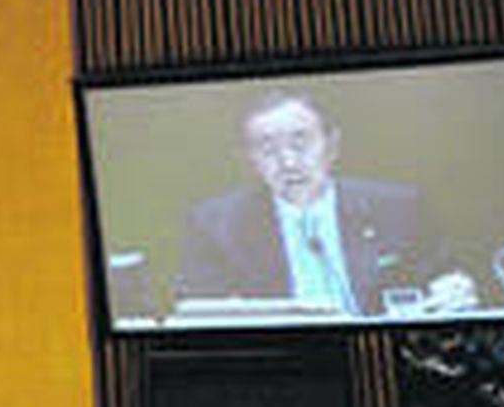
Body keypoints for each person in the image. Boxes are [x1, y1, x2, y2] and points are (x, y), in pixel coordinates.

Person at [176, 90, 477, 319]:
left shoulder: (397, 208)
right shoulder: (216, 225)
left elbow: (444, 277)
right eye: (268, 149)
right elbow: (198, 311)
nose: (288, 162)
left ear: (331, 146)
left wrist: (452, 290)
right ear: (250, 160)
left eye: (300, 142)